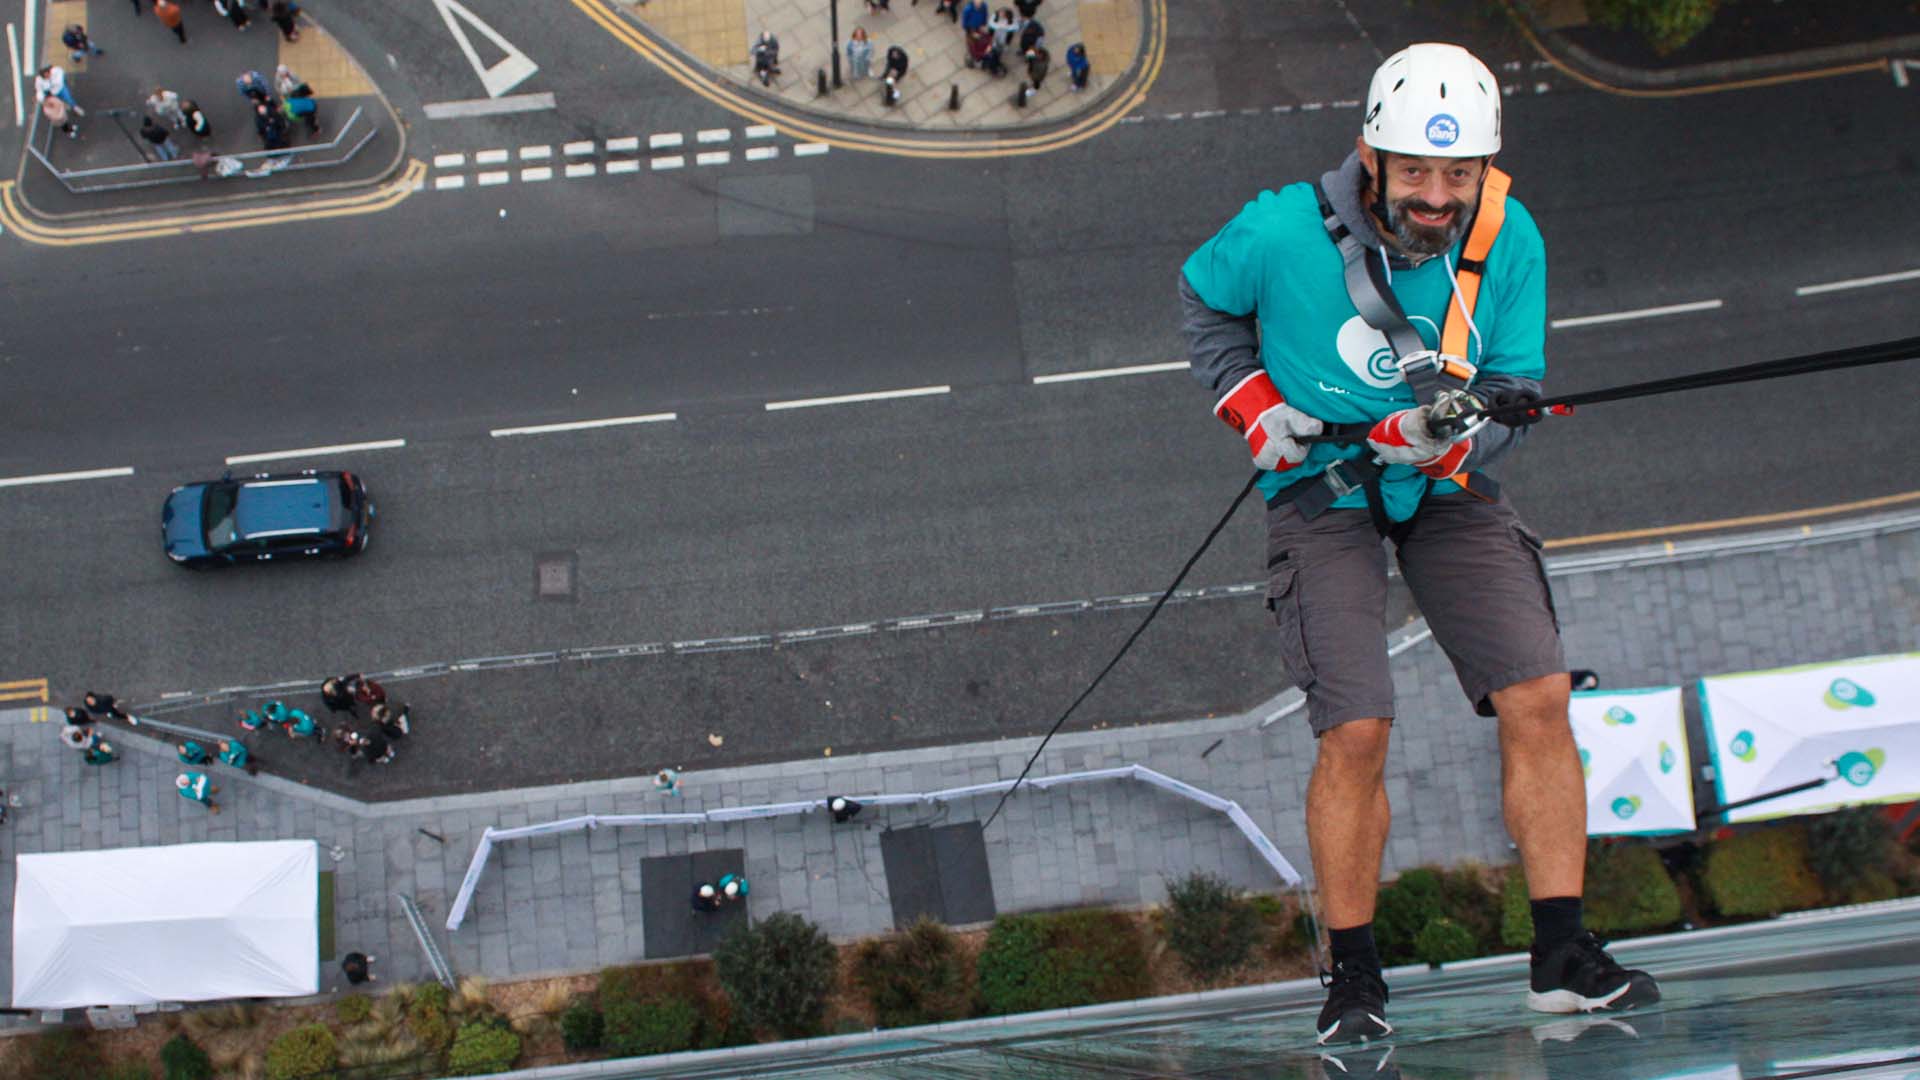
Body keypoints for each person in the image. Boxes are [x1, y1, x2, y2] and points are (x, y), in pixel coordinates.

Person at [1178, 43, 1658, 1044]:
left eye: (1458, 175)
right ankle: (1353, 977)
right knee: (1356, 726)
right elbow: (1207, 304)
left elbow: (1517, 386)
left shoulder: (1507, 237)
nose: (1438, 197)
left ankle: (1562, 955)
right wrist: (1258, 411)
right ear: (1370, 157)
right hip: (1324, 485)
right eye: (1417, 173)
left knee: (1540, 692)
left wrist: (1454, 433)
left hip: (1448, 488)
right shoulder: (1277, 232)